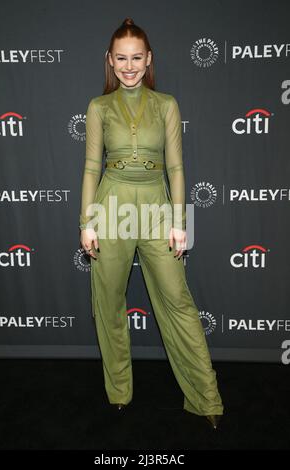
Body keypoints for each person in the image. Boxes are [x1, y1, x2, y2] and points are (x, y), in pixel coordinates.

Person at [79, 17, 224, 430]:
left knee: (178, 301)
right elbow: (91, 167)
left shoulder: (167, 104)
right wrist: (87, 221)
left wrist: (180, 222)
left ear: (149, 60)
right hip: (111, 206)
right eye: (121, 58)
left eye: (136, 58)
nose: (128, 66)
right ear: (110, 60)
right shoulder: (98, 107)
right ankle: (119, 391)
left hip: (157, 208)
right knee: (107, 305)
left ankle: (205, 398)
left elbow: (177, 168)